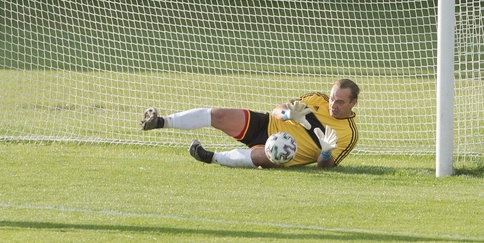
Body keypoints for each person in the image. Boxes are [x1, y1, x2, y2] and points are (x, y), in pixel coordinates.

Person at [140, 78, 360, 169]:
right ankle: (160, 122)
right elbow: (278, 108)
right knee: (219, 114)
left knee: (266, 154)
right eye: (332, 98)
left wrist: (324, 153)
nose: (333, 105)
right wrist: (287, 115)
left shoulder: (349, 134)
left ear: (353, 102)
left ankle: (211, 157)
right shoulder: (316, 99)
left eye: (340, 102)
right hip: (266, 125)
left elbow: (327, 167)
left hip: (284, 153)